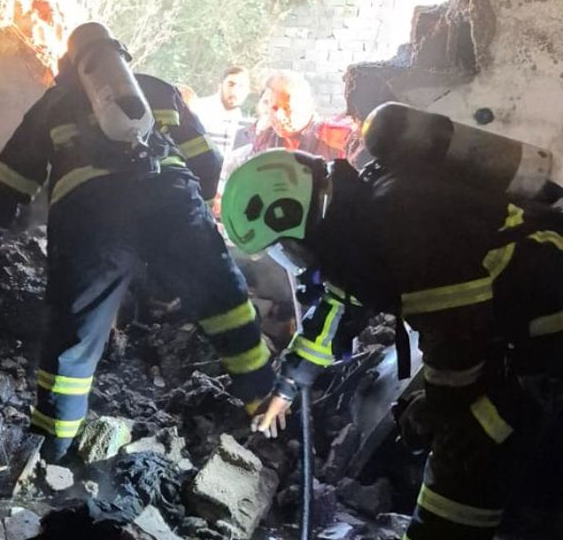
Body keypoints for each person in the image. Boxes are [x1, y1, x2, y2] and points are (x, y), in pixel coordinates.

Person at [0, 22, 275, 461]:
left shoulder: (54, 102)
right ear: (123, 57)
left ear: (70, 65)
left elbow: (10, 180)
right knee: (226, 304)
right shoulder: (159, 90)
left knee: (73, 340)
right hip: (171, 200)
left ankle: (53, 449)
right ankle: (269, 413)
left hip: (90, 216)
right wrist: (194, 223)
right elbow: (208, 163)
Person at [221, 148, 563, 540]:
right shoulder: (359, 224)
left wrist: (436, 412)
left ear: (291, 216)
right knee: (477, 427)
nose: (290, 261)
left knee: (475, 433)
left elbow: (457, 347)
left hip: (548, 333)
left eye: (282, 249)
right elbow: (335, 310)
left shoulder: (401, 223)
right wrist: (287, 386)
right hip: (523, 333)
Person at [251, 71, 352, 160]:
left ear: (308, 105)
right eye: (274, 108)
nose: (279, 117)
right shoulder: (265, 140)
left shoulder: (335, 139)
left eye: (287, 109)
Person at [190, 65, 252, 158]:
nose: (235, 90)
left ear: (247, 91)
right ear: (220, 86)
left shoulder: (246, 123)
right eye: (231, 84)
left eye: (241, 86)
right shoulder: (198, 109)